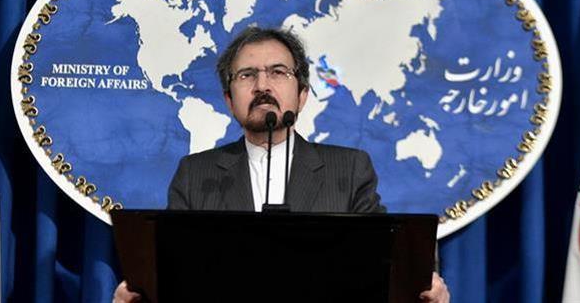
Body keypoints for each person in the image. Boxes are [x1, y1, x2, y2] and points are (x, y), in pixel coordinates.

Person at [114, 26, 449, 303]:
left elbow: (383, 263)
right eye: (247, 75)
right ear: (229, 100)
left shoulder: (348, 170)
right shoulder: (196, 174)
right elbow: (174, 272)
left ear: (302, 95)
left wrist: (422, 290)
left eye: (278, 72)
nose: (262, 86)